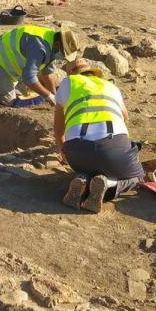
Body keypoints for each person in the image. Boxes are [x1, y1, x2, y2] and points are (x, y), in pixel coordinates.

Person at [54, 59, 144, 213]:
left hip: (77, 152)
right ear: (92, 72)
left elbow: (58, 127)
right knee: (137, 177)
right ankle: (108, 183)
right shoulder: (110, 86)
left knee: (90, 164)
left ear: (70, 73)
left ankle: (83, 178)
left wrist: (63, 151)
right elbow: (125, 116)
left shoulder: (68, 83)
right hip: (113, 149)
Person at [0, 24, 79, 106]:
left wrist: (55, 96)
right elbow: (29, 78)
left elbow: (47, 73)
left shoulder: (52, 41)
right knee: (8, 101)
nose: (63, 58)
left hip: (9, 65)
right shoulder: (39, 47)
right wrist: (48, 96)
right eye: (63, 54)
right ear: (59, 45)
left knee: (26, 91)